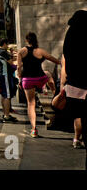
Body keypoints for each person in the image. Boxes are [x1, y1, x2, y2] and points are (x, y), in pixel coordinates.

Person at [17, 32, 60, 138]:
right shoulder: (40, 51)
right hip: (40, 79)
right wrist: (61, 62)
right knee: (49, 75)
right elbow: (53, 59)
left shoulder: (21, 52)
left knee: (31, 104)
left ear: (27, 40)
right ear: (35, 40)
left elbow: (19, 68)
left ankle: (33, 129)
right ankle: (55, 94)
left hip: (27, 80)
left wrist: (20, 80)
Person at [60, 10, 87, 155]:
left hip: (73, 83)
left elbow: (64, 62)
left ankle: (77, 138)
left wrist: (62, 84)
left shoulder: (69, 37)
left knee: (78, 114)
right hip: (84, 82)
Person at [0, 39, 18, 123]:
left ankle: (5, 113)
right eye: (7, 44)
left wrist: (11, 54)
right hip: (5, 75)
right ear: (4, 44)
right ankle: (6, 116)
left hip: (2, 75)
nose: (8, 46)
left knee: (4, 95)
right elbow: (11, 62)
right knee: (7, 96)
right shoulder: (3, 52)